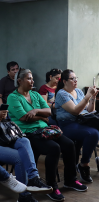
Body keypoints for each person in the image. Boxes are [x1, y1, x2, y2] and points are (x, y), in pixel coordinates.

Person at [7, 69, 88, 202]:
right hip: (28, 133)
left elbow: (49, 112)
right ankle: (52, 186)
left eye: (32, 78)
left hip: (45, 130)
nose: (32, 81)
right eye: (29, 79)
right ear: (19, 81)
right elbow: (23, 117)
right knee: (54, 148)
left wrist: (36, 111)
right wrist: (41, 117)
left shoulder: (35, 94)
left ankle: (70, 180)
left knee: (69, 144)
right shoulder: (13, 97)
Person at [55, 69, 99, 183]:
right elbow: (75, 111)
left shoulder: (78, 91)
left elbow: (90, 110)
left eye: (76, 78)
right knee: (93, 133)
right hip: (68, 125)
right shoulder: (61, 94)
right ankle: (83, 164)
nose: (75, 81)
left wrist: (92, 97)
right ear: (64, 81)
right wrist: (87, 96)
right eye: (72, 79)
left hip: (82, 121)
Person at [0, 109, 52, 202]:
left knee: (24, 141)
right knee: (19, 157)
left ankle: (34, 178)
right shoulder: (13, 96)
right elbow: (23, 117)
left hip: (5, 136)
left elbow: (8, 121)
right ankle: (24, 196)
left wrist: (2, 116)